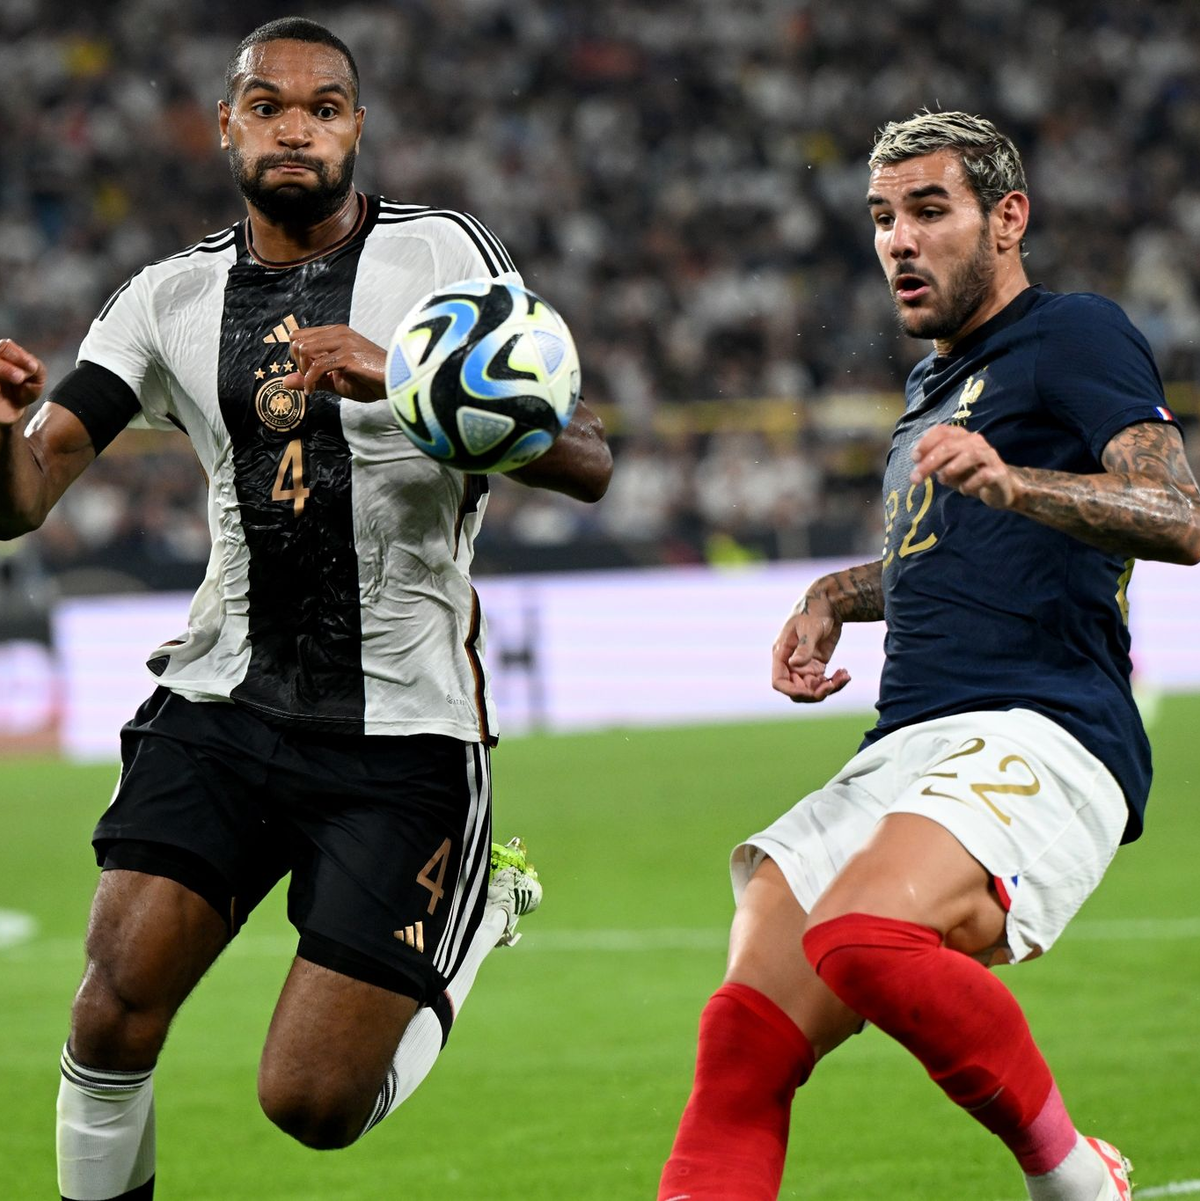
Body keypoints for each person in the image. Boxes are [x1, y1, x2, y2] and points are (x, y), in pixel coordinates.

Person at [0, 18, 611, 1201]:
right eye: (269, 105)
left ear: (357, 129)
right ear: (226, 125)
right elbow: (24, 497)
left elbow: (586, 458)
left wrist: (419, 379)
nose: (297, 126)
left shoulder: (445, 256)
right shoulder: (167, 295)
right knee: (112, 1009)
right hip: (223, 698)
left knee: (312, 1105)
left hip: (405, 730)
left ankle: (478, 917)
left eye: (324, 107)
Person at [657, 110, 1200, 1201]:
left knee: (863, 935)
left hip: (1045, 726)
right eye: (881, 218)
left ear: (1009, 220)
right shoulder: (925, 398)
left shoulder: (1073, 333)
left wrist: (1018, 481)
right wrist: (830, 595)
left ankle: (1077, 1179)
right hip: (906, 740)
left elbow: (1179, 511)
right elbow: (939, 554)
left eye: (928, 210)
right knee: (743, 1038)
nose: (898, 240)